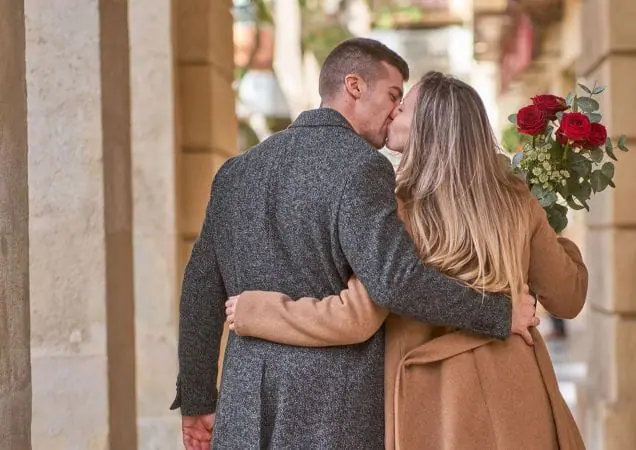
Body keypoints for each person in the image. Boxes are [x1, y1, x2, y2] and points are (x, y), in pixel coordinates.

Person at [172, 38, 540, 450]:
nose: (396, 113)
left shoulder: (235, 172)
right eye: (393, 95)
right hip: (332, 411)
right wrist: (497, 313)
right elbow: (396, 281)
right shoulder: (363, 168)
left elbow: (200, 289)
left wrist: (198, 399)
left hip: (244, 404)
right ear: (354, 85)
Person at [225, 72, 589, 449]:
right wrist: (555, 234)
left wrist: (257, 311)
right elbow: (569, 297)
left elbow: (354, 318)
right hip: (521, 398)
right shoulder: (515, 199)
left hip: (436, 406)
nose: (393, 111)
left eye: (404, 106)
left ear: (428, 128)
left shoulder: (394, 208)